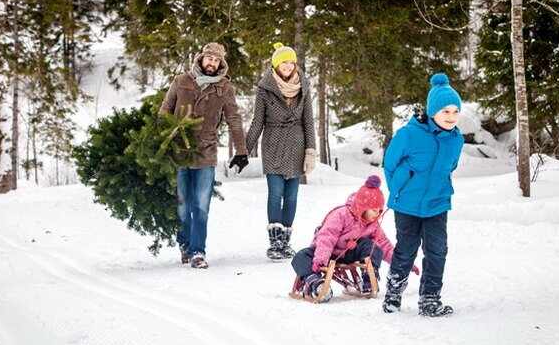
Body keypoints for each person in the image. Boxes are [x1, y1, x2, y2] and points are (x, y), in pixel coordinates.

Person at [159, 42, 249, 269]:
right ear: (200, 59)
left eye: (216, 60)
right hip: (179, 151)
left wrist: (241, 151)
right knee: (182, 205)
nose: (212, 63)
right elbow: (164, 111)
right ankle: (185, 245)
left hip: (206, 152)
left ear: (221, 63)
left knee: (200, 206)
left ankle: (198, 252)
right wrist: (159, 144)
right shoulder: (181, 81)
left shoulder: (224, 87)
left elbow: (234, 119)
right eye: (209, 58)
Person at [382, 72, 464, 317]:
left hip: (437, 203)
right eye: (445, 112)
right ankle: (393, 293)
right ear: (433, 112)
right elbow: (390, 164)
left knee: (437, 250)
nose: (451, 117)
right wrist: (398, 190)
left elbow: (451, 167)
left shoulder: (456, 139)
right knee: (406, 249)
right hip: (406, 204)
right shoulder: (409, 134)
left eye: (455, 112)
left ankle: (430, 299)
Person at [291, 175, 419, 302]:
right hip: (328, 253)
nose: (378, 214)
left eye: (380, 210)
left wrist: (404, 264)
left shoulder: (373, 224)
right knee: (301, 256)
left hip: (350, 254)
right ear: (363, 207)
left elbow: (385, 245)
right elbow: (327, 237)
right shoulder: (341, 215)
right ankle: (315, 283)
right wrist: (320, 259)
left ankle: (369, 275)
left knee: (373, 245)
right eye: (374, 210)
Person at [245, 42, 317, 260]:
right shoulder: (264, 88)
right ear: (276, 65)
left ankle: (285, 242)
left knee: (292, 196)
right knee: (276, 194)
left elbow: (308, 121)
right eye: (283, 61)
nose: (288, 65)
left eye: (291, 62)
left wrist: (310, 151)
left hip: (297, 144)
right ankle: (274, 243)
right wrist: (244, 150)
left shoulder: (303, 86)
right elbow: (258, 121)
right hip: (273, 144)